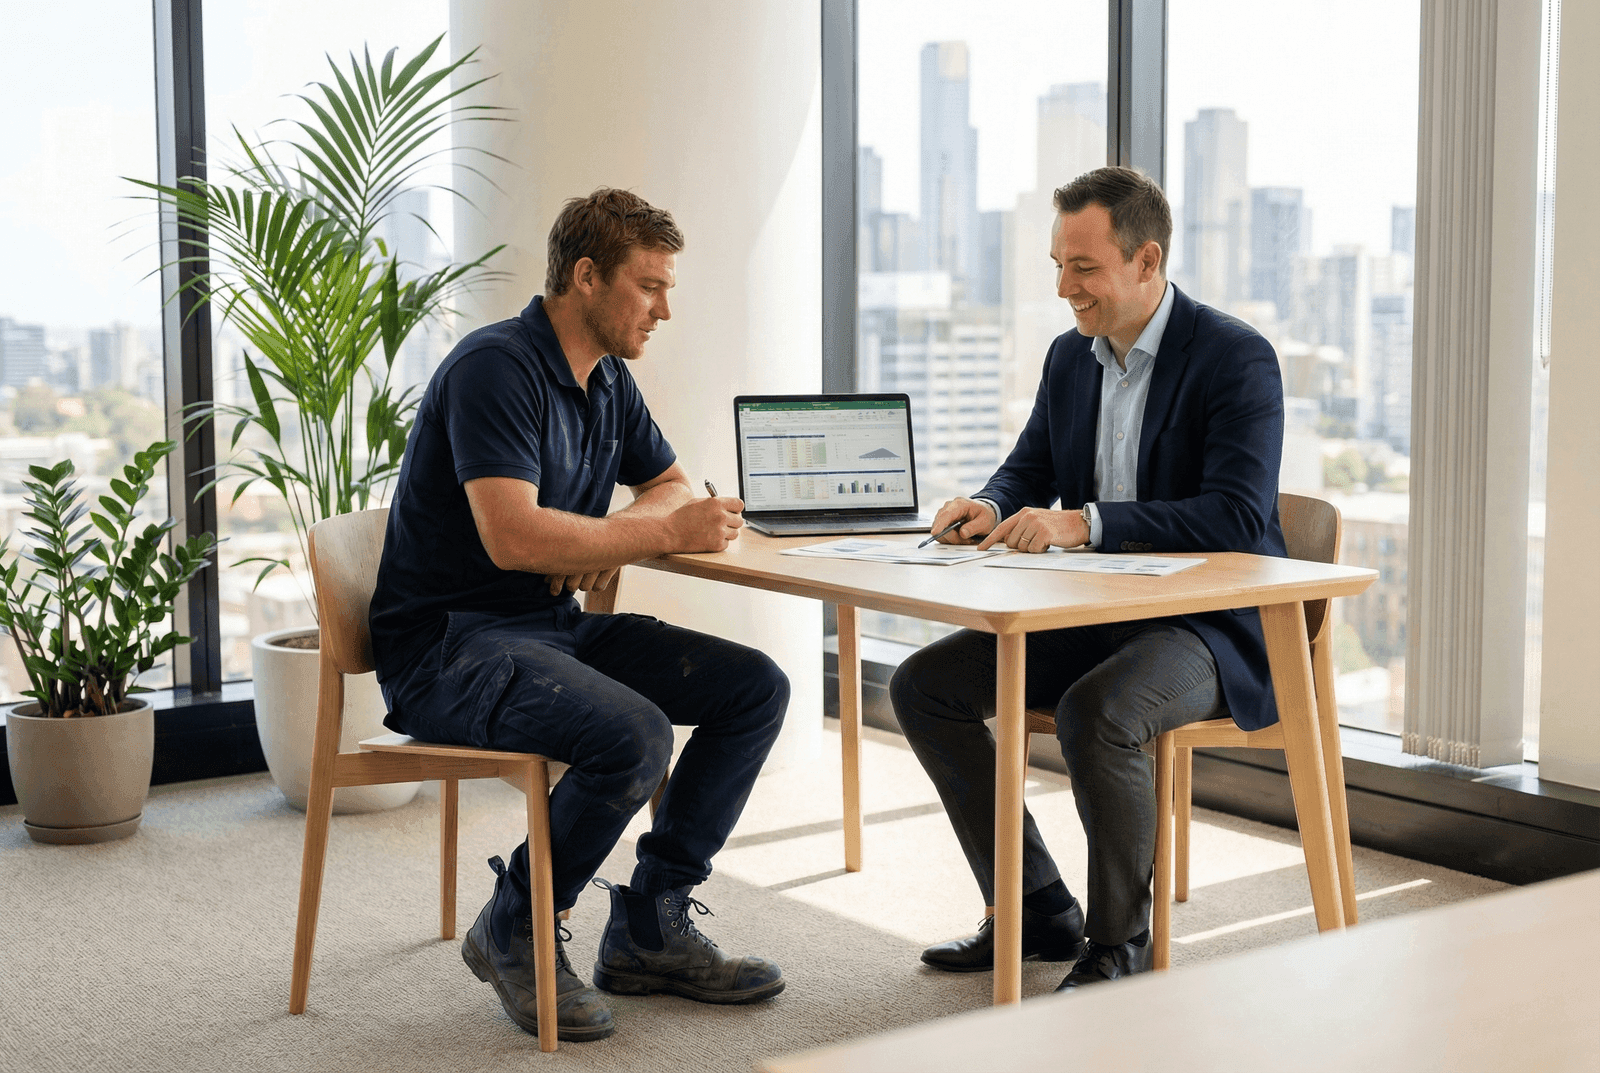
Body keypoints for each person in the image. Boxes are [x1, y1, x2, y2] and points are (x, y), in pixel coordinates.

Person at [368, 188, 790, 1042]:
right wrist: (642, 533)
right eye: (649, 287)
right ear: (587, 276)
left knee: (756, 688)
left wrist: (619, 533)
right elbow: (512, 535)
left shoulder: (608, 380)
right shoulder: (496, 368)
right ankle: (514, 923)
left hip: (545, 632)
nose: (664, 309)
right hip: (449, 649)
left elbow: (669, 481)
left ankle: (648, 924)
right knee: (634, 734)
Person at [892, 165, 1286, 992]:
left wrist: (1089, 521)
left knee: (1097, 713)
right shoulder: (1072, 359)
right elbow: (1031, 462)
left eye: (1084, 267)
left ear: (1147, 261)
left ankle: (1118, 946)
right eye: (1057, 266)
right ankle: (1037, 908)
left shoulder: (1235, 357)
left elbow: (1238, 517)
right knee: (924, 685)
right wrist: (989, 502)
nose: (1065, 288)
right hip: (1097, 613)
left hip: (1208, 627)